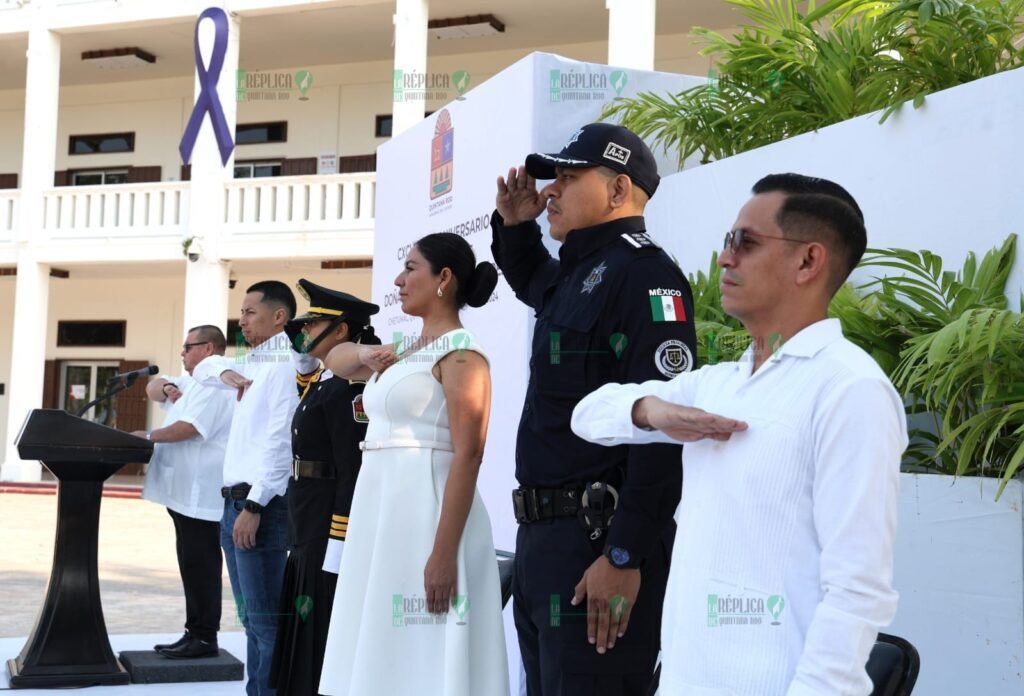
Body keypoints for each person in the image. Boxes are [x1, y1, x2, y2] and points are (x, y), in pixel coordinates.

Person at [571, 174, 908, 695]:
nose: (725, 259)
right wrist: (651, 409)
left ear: (808, 261)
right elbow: (588, 415)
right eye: (728, 241)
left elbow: (858, 590)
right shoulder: (720, 384)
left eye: (744, 242)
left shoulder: (850, 388)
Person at [491, 122, 697, 695]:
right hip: (546, 545)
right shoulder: (579, 273)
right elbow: (534, 279)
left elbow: (664, 426)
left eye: (568, 176)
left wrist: (624, 554)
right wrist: (514, 226)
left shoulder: (647, 275)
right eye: (552, 176)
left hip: (596, 546)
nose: (551, 190)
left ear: (617, 190)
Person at [318, 233, 509, 696]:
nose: (399, 281)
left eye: (411, 268)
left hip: (428, 515)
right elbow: (333, 358)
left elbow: (470, 453)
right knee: (380, 638)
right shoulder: (405, 349)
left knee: (425, 642)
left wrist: (443, 554)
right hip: (382, 512)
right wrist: (366, 353)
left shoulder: (462, 351)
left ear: (444, 278)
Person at [268, 279, 380, 695]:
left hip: (324, 531)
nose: (305, 332)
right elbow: (310, 407)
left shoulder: (353, 389)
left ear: (342, 331)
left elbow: (352, 468)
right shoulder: (327, 382)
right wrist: (304, 366)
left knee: (320, 634)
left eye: (314, 324)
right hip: (306, 522)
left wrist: (339, 536)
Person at [192, 281, 299, 696]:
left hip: (259, 506)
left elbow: (280, 442)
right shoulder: (252, 361)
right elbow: (201, 368)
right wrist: (225, 371)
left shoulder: (286, 363)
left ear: (279, 317)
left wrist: (254, 505)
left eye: (250, 312)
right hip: (234, 506)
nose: (241, 320)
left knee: (266, 622)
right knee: (252, 622)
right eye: (241, 312)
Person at [134, 325, 235, 659]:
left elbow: (190, 429)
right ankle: (194, 632)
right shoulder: (193, 379)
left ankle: (205, 637)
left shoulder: (216, 384)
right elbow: (152, 388)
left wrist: (147, 436)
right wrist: (164, 386)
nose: (182, 353)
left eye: (187, 347)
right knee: (191, 564)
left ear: (208, 349)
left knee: (201, 565)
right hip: (182, 493)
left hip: (200, 494)